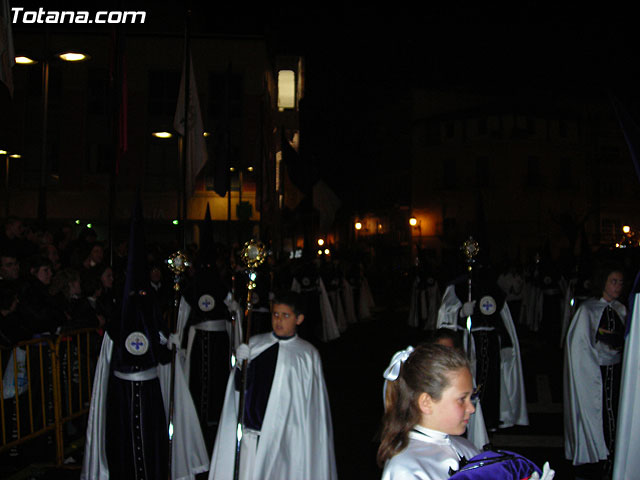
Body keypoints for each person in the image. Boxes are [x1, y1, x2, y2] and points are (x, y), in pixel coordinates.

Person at [208, 290, 338, 480]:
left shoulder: (307, 355)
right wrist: (240, 365)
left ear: (299, 319)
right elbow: (240, 388)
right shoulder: (255, 344)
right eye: (275, 315)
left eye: (285, 316)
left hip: (285, 437)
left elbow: (312, 406)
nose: (278, 320)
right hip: (252, 433)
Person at [377, 343, 481, 479]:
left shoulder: (465, 447)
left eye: (471, 397)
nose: (471, 409)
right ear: (426, 403)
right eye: (462, 399)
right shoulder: (406, 470)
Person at [564, 263, 626, 479]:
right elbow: (579, 345)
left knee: (615, 410)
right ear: (603, 283)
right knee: (602, 412)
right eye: (613, 281)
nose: (617, 286)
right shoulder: (588, 310)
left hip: (616, 370)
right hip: (596, 371)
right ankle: (603, 453)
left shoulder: (621, 309)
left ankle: (615, 451)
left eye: (620, 282)